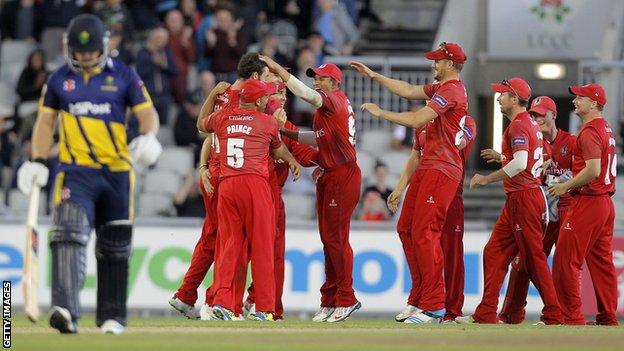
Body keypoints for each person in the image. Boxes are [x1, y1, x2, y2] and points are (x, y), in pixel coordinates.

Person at [16, 14, 161, 334]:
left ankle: (112, 316)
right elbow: (44, 123)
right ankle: (66, 310)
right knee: (67, 235)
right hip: (75, 172)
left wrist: (149, 136)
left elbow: (147, 113)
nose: (82, 58)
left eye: (89, 52)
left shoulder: (125, 75)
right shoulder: (58, 80)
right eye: (77, 53)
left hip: (118, 174)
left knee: (114, 248)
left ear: (105, 45)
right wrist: (38, 159)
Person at [355, 42, 469, 323]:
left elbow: (418, 117)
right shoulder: (442, 90)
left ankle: (434, 305)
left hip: (442, 170)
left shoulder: (452, 91)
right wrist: (375, 76)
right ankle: (419, 298)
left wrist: (382, 114)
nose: (433, 65)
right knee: (406, 229)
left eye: (438, 61)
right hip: (428, 168)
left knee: (425, 232)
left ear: (450, 65)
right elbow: (407, 91)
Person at [168, 53, 270, 320]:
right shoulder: (246, 100)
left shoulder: (225, 97)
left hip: (219, 174)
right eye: (267, 75)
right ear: (256, 77)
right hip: (226, 177)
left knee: (215, 237)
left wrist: (202, 167)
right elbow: (207, 131)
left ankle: (190, 295)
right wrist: (204, 168)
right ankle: (218, 302)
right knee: (230, 240)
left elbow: (210, 134)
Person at [260, 56, 362, 323]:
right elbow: (315, 138)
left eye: (320, 78)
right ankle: (329, 299)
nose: (315, 81)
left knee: (336, 239)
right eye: (315, 77)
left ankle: (346, 298)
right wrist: (287, 133)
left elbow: (304, 93)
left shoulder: (334, 99)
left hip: (342, 174)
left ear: (334, 82)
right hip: (332, 173)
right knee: (329, 240)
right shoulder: (329, 109)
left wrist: (279, 71)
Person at [457, 77, 563, 325]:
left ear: (515, 99)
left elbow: (520, 164)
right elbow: (526, 160)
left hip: (524, 197)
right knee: (494, 252)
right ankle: (486, 312)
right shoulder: (527, 124)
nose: (498, 98)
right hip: (521, 196)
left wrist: (486, 179)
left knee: (533, 258)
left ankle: (554, 314)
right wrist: (503, 156)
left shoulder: (518, 125)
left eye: (503, 94)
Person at [199, 79, 302, 321]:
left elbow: (201, 124)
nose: (269, 99)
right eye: (266, 96)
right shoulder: (267, 122)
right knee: (263, 246)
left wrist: (213, 94)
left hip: (227, 185)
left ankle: (223, 303)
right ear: (257, 101)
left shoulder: (222, 117)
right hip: (255, 185)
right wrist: (292, 160)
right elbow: (277, 149)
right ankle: (265, 308)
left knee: (229, 247)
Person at [242, 73, 320, 320]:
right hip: (250, 191)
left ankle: (265, 305)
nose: (283, 99)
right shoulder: (255, 121)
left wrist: (327, 159)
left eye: (285, 93)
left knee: (271, 254)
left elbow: (305, 153)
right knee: (242, 251)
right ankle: (227, 302)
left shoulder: (285, 126)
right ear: (263, 98)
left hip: (272, 194)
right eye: (277, 93)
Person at [497, 96, 576, 324]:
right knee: (524, 261)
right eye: (533, 114)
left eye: (541, 114)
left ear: (553, 115)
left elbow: (585, 173)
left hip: (566, 210)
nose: (536, 118)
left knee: (566, 265)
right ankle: (512, 314)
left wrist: (563, 180)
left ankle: (569, 315)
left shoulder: (570, 142)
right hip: (542, 211)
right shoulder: (534, 139)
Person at [548, 84, 618, 326]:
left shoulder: (589, 131)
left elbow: (593, 170)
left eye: (581, 97)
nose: (576, 101)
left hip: (588, 201)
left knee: (565, 262)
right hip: (605, 204)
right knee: (602, 264)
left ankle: (572, 318)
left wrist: (565, 187)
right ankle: (608, 317)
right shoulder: (605, 128)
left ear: (594, 103)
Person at [136, 27, 177, 125]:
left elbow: (174, 71)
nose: (162, 41)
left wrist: (165, 66)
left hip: (165, 96)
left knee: (164, 125)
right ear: (152, 38)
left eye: (164, 38)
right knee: (150, 123)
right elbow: (140, 73)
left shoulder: (166, 52)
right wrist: (153, 63)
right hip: (150, 95)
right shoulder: (143, 53)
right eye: (159, 38)